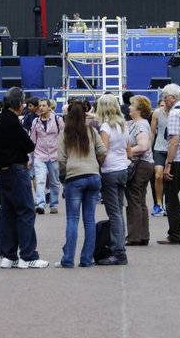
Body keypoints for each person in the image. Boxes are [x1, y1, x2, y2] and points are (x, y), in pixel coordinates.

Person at [0, 85, 47, 269]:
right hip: (17, 170)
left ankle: (8, 255)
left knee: (7, 212)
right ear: (19, 104)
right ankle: (28, 255)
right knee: (26, 211)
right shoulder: (14, 122)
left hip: (2, 171)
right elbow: (29, 145)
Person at [57, 99, 106, 267]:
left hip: (74, 177)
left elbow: (61, 159)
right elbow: (102, 151)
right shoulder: (91, 131)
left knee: (72, 219)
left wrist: (66, 173)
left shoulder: (65, 132)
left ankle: (68, 259)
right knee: (89, 219)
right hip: (93, 175)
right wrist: (96, 165)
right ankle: (86, 259)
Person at [96, 94, 131, 265]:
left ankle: (118, 251)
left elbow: (103, 151)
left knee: (114, 212)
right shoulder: (122, 125)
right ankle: (119, 246)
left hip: (109, 170)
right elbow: (129, 149)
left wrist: (96, 166)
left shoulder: (105, 127)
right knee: (119, 209)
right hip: (122, 168)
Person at [157, 85, 180, 245]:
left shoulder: (174, 113)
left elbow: (174, 141)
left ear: (173, 97)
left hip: (177, 159)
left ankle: (176, 234)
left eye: (165, 97)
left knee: (171, 198)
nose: (164, 100)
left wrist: (168, 163)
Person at [124, 95, 155, 246]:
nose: (129, 107)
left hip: (140, 165)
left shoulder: (140, 125)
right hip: (146, 164)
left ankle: (134, 236)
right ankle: (143, 235)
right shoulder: (138, 123)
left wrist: (127, 152)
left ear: (139, 109)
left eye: (132, 105)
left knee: (134, 200)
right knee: (140, 200)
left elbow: (143, 146)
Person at [28, 98, 62, 214]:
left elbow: (63, 137)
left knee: (54, 181)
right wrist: (29, 157)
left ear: (49, 107)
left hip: (54, 155)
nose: (41, 108)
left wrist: (63, 154)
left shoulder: (58, 120)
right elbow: (32, 140)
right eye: (40, 106)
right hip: (40, 154)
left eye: (43, 105)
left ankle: (54, 204)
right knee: (40, 180)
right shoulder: (35, 122)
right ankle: (40, 204)